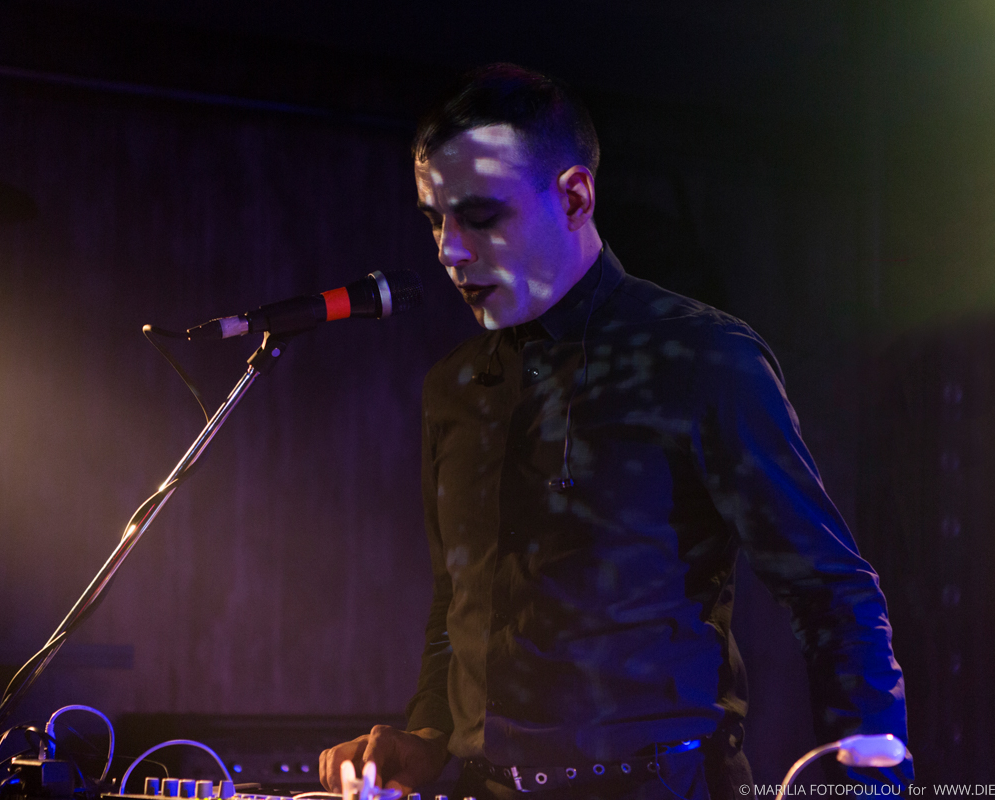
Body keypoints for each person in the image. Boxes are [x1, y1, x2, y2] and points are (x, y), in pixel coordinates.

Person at [319, 63, 910, 800]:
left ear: (575, 197)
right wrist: (429, 734)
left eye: (480, 216)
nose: (449, 250)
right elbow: (458, 605)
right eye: (436, 219)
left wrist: (872, 786)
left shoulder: (699, 358)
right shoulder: (456, 387)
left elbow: (831, 593)